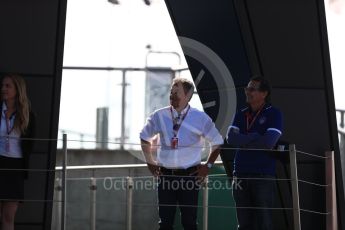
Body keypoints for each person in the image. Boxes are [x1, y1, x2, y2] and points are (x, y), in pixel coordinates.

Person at [140, 78, 223, 230]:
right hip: (165, 176)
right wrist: (150, 162)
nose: (171, 95)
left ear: (187, 96)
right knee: (165, 223)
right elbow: (144, 137)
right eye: (171, 92)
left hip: (190, 177)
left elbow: (217, 142)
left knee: (189, 223)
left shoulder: (200, 118)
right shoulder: (159, 116)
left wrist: (208, 166)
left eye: (176, 92)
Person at [226, 76, 283, 230]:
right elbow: (231, 139)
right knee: (244, 224)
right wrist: (254, 136)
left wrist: (244, 140)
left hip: (262, 175)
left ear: (264, 93)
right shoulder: (240, 114)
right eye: (247, 88)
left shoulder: (274, 114)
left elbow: (268, 142)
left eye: (252, 89)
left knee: (264, 222)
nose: (247, 92)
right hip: (240, 174)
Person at [0, 74, 35, 230]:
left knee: (8, 216)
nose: (3, 89)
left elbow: (30, 145)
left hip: (15, 168)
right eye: (3, 86)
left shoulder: (28, 115)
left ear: (18, 90)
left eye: (8, 86)